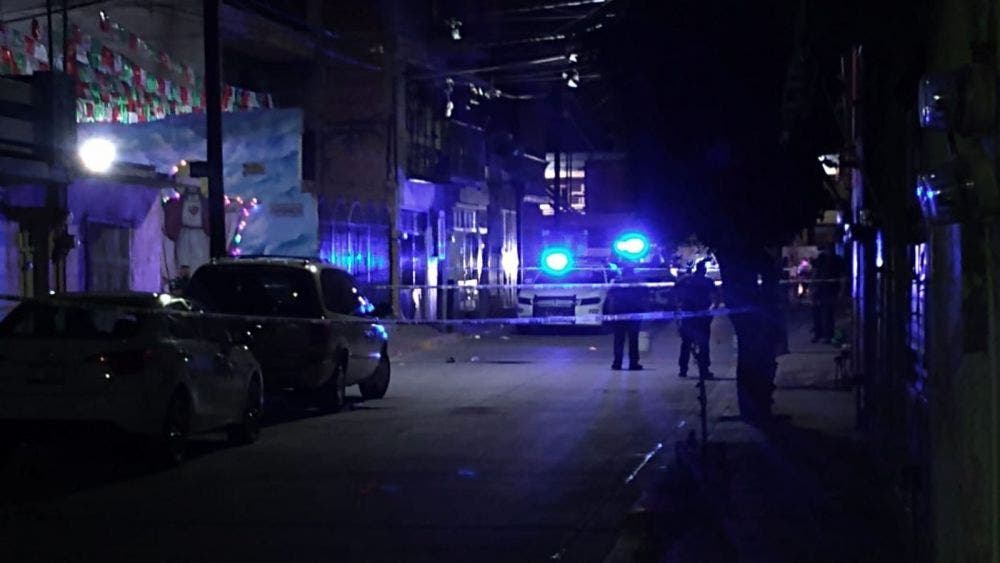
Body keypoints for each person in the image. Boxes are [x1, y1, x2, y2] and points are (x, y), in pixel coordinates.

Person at [675, 259, 716, 378]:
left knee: (686, 343)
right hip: (702, 315)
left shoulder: (685, 280)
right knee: (703, 343)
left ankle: (683, 369)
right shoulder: (707, 281)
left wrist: (678, 311)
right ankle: (704, 369)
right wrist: (711, 311)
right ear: (704, 270)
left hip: (688, 315)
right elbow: (715, 298)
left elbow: (675, 294)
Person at [607, 264, 647, 371]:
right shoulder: (638, 282)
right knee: (633, 340)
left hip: (619, 313)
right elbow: (644, 295)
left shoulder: (618, 282)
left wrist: (611, 312)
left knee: (618, 339)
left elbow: (610, 296)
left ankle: (617, 363)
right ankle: (633, 363)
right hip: (634, 314)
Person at [810, 248, 843, 343]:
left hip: (828, 289)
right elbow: (815, 273)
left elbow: (815, 273)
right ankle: (822, 334)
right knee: (821, 312)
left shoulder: (835, 260)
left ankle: (825, 334)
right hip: (822, 289)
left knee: (826, 313)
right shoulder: (822, 259)